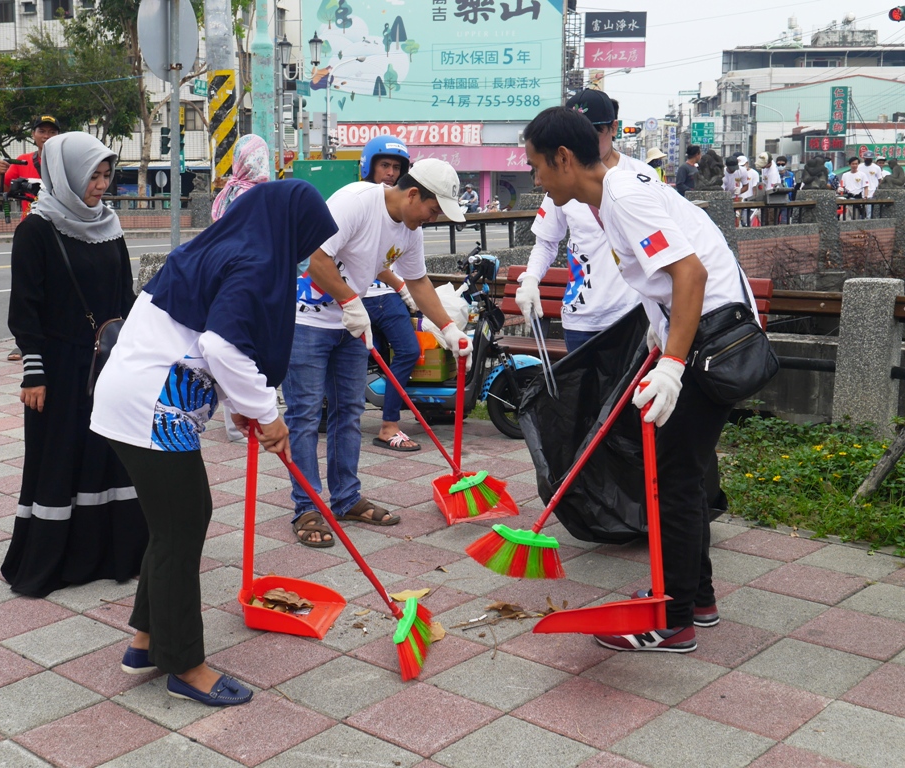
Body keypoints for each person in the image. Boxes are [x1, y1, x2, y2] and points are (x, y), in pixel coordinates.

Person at [90, 180, 337, 706]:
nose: (301, 253)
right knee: (182, 528)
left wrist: (245, 407)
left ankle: (146, 638)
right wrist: (268, 415)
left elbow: (198, 337)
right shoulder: (254, 262)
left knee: (174, 524)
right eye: (305, 239)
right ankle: (185, 666)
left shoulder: (223, 246)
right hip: (153, 408)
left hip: (134, 397)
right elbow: (221, 344)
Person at [523, 106, 759, 653]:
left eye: (536, 166)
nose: (534, 178)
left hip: (709, 341)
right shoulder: (609, 194)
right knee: (679, 474)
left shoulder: (624, 195)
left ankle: (671, 618)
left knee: (673, 480)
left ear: (563, 158)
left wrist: (673, 365)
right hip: (695, 333)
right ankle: (693, 599)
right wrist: (660, 332)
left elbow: (691, 273)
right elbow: (673, 271)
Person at [286, 159, 473, 546]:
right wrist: (350, 301)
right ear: (412, 193)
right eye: (432, 209)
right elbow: (315, 258)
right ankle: (307, 507)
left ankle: (346, 498)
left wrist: (448, 328)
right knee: (304, 415)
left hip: (352, 326)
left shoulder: (410, 228)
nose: (431, 218)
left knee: (349, 411)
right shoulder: (356, 202)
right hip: (307, 321)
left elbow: (418, 280)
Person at [1, 132, 147, 599]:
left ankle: (109, 554)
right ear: (66, 175)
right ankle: (53, 561)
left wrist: (134, 359)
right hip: (60, 369)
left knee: (107, 455)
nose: (101, 185)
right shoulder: (37, 230)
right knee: (59, 456)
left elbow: (124, 299)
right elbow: (25, 308)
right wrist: (34, 373)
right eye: (92, 176)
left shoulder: (109, 224)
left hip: (106, 363)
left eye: (106, 175)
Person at [516, 89, 643, 353]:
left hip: (632, 317)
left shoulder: (639, 177)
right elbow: (546, 242)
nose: (585, 139)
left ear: (613, 128)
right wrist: (530, 280)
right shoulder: (560, 181)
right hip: (581, 316)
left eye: (595, 130)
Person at [356, 135, 424, 452]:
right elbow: (366, 256)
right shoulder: (359, 202)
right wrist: (400, 286)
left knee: (407, 351)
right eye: (384, 165)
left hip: (381, 295)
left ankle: (389, 422)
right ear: (368, 167)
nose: (390, 173)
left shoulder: (401, 213)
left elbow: (414, 271)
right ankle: (387, 425)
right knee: (398, 352)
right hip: (362, 295)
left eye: (396, 167)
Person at [210, 134, 270, 442]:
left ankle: (236, 419)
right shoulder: (256, 197)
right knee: (241, 348)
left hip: (225, 278)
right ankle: (245, 421)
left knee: (231, 345)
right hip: (247, 280)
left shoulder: (230, 192)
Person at [0, 115, 61, 362]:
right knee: (26, 288)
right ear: (33, 134)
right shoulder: (23, 161)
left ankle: (53, 335)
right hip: (31, 231)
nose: (46, 136)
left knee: (56, 286)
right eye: (42, 131)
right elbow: (1, 189)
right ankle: (24, 342)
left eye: (52, 132)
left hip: (60, 229)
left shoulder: (65, 161)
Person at [860, 151, 882, 219]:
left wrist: (877, 190)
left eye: (870, 158)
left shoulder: (877, 168)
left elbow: (880, 180)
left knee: (869, 212)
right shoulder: (859, 167)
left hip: (872, 191)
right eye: (866, 158)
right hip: (861, 191)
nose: (868, 160)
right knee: (861, 210)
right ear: (864, 158)